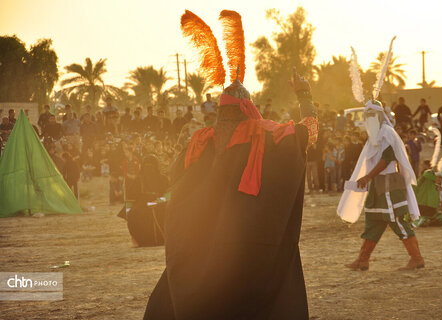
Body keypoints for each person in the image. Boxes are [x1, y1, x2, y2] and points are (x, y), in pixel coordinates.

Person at [144, 12, 317, 318]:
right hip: (249, 255)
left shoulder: (198, 143)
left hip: (198, 255)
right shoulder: (267, 137)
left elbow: (177, 181)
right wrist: (303, 94)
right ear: (249, 108)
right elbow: (309, 133)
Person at [338, 100, 424, 271]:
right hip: (377, 185)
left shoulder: (387, 133)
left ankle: (417, 258)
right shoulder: (374, 135)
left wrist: (368, 177)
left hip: (389, 185)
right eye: (366, 114)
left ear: (379, 115)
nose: (368, 118)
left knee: (397, 221)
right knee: (373, 221)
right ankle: (363, 260)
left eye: (372, 114)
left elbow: (386, 158)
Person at [125, 155, 170, 247]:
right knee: (134, 214)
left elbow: (169, 194)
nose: (149, 168)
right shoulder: (138, 180)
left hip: (160, 204)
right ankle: (138, 239)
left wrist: (158, 201)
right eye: (147, 165)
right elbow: (130, 199)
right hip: (141, 206)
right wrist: (128, 213)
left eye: (152, 166)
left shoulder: (163, 179)